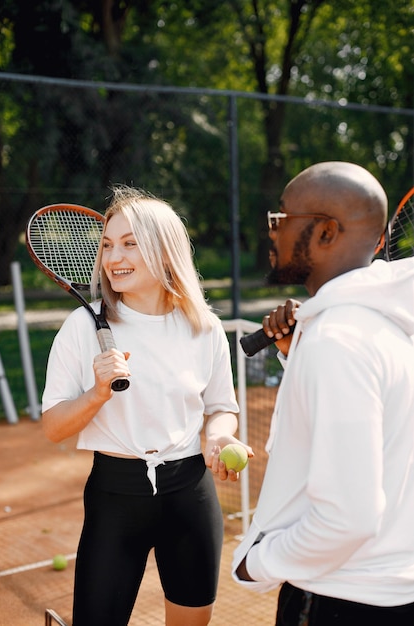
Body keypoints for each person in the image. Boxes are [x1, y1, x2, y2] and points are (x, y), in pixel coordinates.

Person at [41, 185, 253, 626]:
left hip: (190, 495)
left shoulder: (205, 327)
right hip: (116, 497)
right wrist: (97, 393)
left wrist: (218, 437)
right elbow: (54, 427)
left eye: (129, 244)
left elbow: (220, 407)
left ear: (164, 250)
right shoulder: (82, 326)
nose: (113, 257)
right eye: (106, 245)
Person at [232, 161, 414, 625]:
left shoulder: (337, 341)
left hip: (337, 600)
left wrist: (259, 563)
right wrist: (297, 354)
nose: (271, 232)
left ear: (327, 233)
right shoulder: (382, 327)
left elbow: (348, 518)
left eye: (282, 218)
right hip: (387, 593)